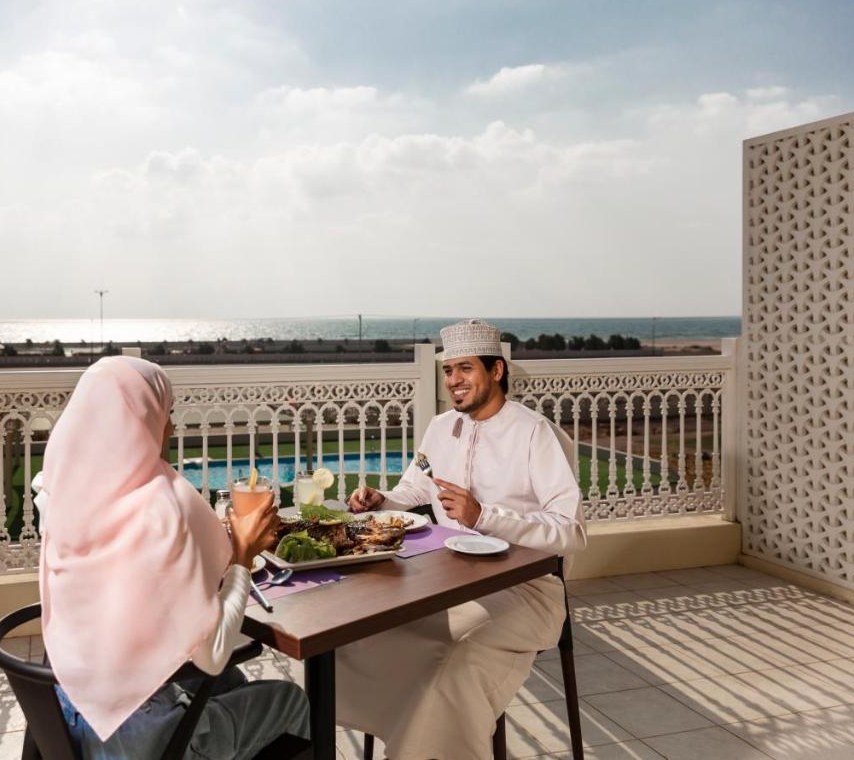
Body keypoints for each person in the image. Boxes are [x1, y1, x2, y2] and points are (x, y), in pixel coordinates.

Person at [37, 355, 309, 759]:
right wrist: (242, 556)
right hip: (152, 742)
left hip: (72, 715)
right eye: (167, 413)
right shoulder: (158, 511)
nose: (171, 426)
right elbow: (213, 653)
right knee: (291, 698)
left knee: (231, 681)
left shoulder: (57, 491)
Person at [341, 319, 586, 760]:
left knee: (452, 671)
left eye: (465, 369)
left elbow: (570, 531)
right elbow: (416, 489)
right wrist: (384, 499)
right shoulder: (440, 428)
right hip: (443, 580)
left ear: (496, 371)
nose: (453, 380)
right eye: (449, 370)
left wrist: (485, 516)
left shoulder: (535, 433)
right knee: (363, 641)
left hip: (525, 590)